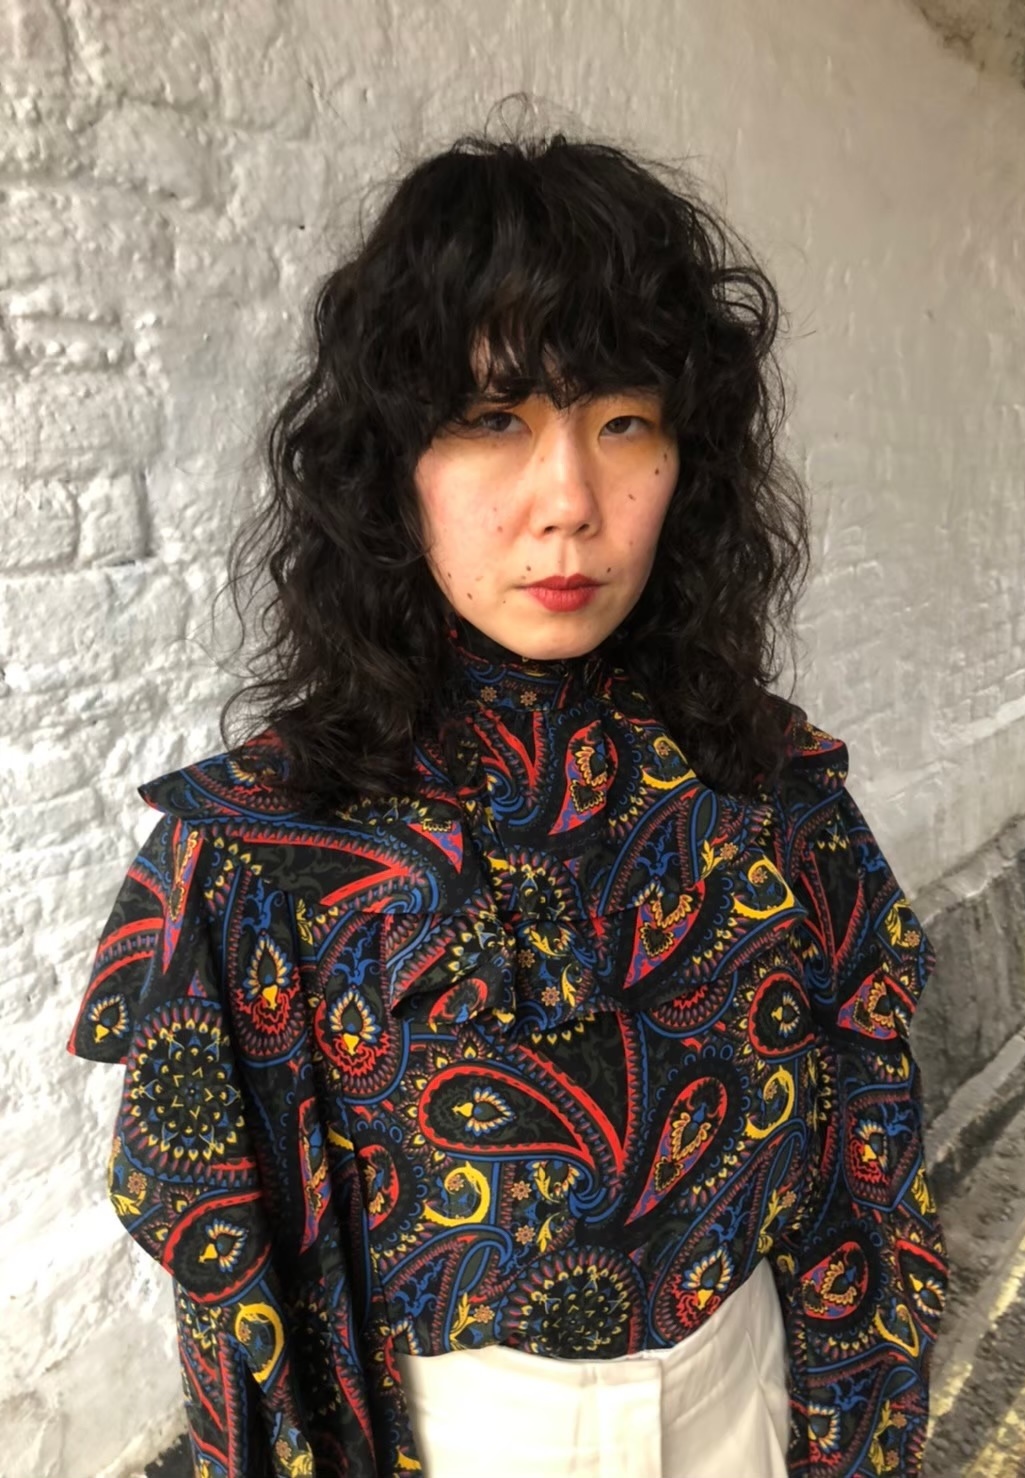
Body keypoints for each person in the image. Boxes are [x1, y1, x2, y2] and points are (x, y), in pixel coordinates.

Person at [68, 119, 948, 1478]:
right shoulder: (264, 855)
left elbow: (861, 1191)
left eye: (623, 421)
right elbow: (248, 1313)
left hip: (744, 1412)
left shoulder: (775, 798)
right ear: (390, 463)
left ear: (688, 459)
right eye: (493, 421)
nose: (570, 501)